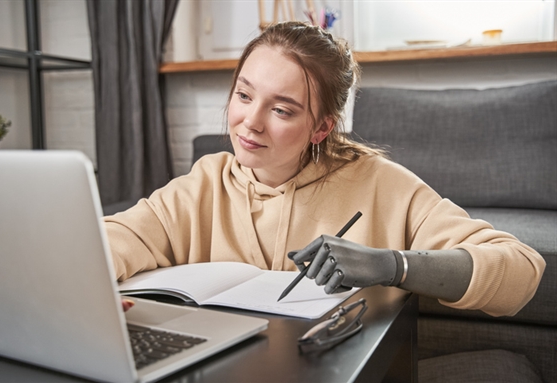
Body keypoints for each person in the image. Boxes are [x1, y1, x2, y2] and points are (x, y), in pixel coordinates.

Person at [105, 21, 545, 317]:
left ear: (321, 128)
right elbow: (117, 237)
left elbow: (520, 268)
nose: (250, 122)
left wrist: (395, 265)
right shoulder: (204, 182)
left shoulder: (381, 183)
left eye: (281, 109)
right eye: (243, 95)